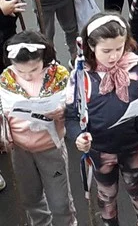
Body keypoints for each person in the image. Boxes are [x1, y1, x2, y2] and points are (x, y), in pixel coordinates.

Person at [65, 13, 138, 226]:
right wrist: (78, 136)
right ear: (91, 46)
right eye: (106, 51)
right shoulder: (80, 74)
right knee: (106, 195)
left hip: (133, 145)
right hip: (100, 150)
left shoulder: (135, 64)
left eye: (119, 48)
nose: (113, 56)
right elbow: (71, 116)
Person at [0, 30, 76, 226]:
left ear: (44, 58)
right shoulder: (6, 78)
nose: (27, 76)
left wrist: (62, 111)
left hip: (51, 148)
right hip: (20, 150)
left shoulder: (59, 75)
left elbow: (75, 104)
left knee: (60, 202)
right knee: (30, 198)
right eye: (20, 71)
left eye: (33, 69)